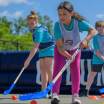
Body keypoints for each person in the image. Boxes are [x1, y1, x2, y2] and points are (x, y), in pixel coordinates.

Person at [51, 1, 96, 104]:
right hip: (61, 49)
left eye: (64, 14)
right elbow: (60, 46)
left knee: (75, 69)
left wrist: (85, 40)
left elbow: (93, 31)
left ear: (71, 13)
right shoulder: (57, 25)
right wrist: (66, 55)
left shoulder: (78, 22)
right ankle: (55, 94)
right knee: (58, 68)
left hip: (75, 48)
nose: (61, 16)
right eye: (59, 14)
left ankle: (75, 95)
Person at [24, 10, 55, 98]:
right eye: (28, 23)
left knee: (49, 69)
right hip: (42, 49)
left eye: (32, 23)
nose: (30, 25)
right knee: (42, 69)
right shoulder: (34, 30)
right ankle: (43, 91)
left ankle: (53, 92)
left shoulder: (39, 31)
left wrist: (28, 60)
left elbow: (35, 47)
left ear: (36, 22)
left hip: (50, 48)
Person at [79, 20, 104, 97]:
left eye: (101, 28)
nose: (100, 30)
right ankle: (86, 91)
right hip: (98, 58)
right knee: (92, 74)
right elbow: (96, 51)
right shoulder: (96, 38)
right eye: (98, 29)